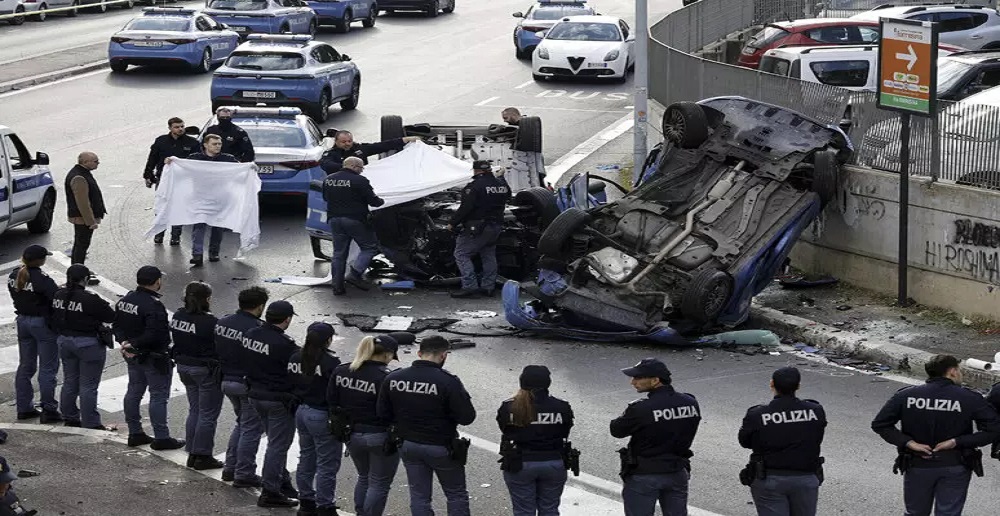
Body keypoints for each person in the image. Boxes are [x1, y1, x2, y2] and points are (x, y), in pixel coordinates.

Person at [871, 354, 1000, 516]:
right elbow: (994, 430)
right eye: (959, 370)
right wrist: (957, 442)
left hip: (917, 464)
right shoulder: (969, 398)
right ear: (952, 372)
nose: (961, 374)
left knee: (915, 512)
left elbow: (880, 424)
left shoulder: (906, 395)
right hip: (955, 465)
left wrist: (909, 443)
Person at [377, 335, 476, 516]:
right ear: (444, 355)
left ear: (419, 353)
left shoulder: (394, 377)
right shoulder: (448, 381)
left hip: (408, 444)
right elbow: (467, 417)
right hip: (441, 446)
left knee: (419, 496)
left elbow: (383, 414)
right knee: (455, 494)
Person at [330, 333, 411, 516]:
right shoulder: (387, 378)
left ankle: (361, 512)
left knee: (364, 477)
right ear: (387, 354)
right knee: (379, 483)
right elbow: (396, 410)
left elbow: (332, 401)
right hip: (380, 436)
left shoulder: (343, 370)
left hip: (352, 434)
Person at [610, 358, 701, 516]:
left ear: (655, 380)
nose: (633, 382)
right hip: (677, 471)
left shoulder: (641, 408)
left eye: (638, 378)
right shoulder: (690, 402)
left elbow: (617, 430)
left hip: (645, 475)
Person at [738, 367, 827, 516]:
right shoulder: (815, 410)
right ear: (798, 386)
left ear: (772, 384)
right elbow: (817, 435)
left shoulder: (757, 414)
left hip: (770, 479)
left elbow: (745, 441)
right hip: (806, 478)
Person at [113, 265, 184, 451]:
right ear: (157, 281)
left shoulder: (125, 300)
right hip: (153, 356)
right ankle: (161, 437)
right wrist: (134, 344)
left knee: (134, 392)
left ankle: (135, 432)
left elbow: (117, 326)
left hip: (133, 355)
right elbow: (157, 335)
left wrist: (126, 343)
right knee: (158, 396)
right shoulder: (153, 305)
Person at [244, 300, 302, 508]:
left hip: (255, 394)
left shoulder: (251, 334)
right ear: (287, 319)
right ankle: (270, 491)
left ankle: (281, 481)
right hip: (277, 399)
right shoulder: (285, 344)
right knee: (278, 446)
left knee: (274, 443)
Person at [496, 365, 574, 516]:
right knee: (550, 509)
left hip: (520, 464)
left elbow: (505, 430)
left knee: (523, 511)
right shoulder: (561, 406)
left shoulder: (509, 407)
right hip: (554, 462)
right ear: (547, 383)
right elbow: (565, 431)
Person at [215, 286, 269, 487]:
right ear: (260, 306)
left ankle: (230, 468)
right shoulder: (256, 329)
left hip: (226, 379)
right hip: (245, 383)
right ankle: (244, 472)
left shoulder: (223, 321)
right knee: (251, 429)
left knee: (242, 424)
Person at [50, 264, 114, 430]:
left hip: (65, 341)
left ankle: (70, 416)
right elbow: (110, 315)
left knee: (70, 381)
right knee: (88, 385)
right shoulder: (89, 298)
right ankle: (91, 422)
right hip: (88, 343)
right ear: (85, 279)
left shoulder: (58, 294)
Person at [289, 322, 342, 516]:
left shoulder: (296, 356)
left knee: (306, 457)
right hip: (321, 414)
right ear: (328, 340)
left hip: (301, 411)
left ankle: (306, 501)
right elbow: (336, 392)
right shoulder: (331, 362)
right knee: (327, 463)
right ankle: (325, 505)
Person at [170, 281, 224, 471]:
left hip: (184, 366)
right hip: (204, 370)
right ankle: (202, 455)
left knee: (195, 410)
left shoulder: (178, 315)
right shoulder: (210, 322)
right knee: (208, 414)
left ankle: (192, 452)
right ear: (208, 299)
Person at [7, 245, 61, 423]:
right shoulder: (42, 279)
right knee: (48, 368)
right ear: (39, 260)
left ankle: (24, 407)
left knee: (25, 366)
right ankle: (49, 409)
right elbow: (56, 299)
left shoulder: (14, 275)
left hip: (23, 321)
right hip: (42, 324)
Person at [448, 159, 511, 298]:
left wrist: (452, 222)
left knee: (461, 254)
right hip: (496, 226)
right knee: (488, 254)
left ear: (476, 171)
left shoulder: (474, 186)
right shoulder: (500, 183)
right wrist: (501, 177)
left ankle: (469, 286)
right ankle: (488, 287)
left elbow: (466, 207)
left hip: (478, 227)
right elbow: (508, 195)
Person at [322, 156, 383, 295]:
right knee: (370, 247)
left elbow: (326, 198)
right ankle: (355, 274)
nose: (362, 171)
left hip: (334, 219)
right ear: (355, 166)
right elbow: (373, 201)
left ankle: (337, 286)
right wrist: (382, 201)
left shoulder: (328, 179)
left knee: (338, 253)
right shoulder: (360, 180)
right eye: (361, 168)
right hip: (355, 220)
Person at [176, 134, 238, 266]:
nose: (217, 146)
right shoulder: (195, 158)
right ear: (205, 145)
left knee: (218, 227)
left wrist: (251, 168)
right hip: (200, 197)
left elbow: (240, 170)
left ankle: (214, 252)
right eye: (214, 144)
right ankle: (197, 254)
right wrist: (172, 161)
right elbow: (182, 168)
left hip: (220, 198)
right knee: (199, 225)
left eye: (219, 144)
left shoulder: (228, 159)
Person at [145, 117, 199, 245]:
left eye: (182, 126)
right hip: (163, 179)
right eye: (177, 127)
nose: (180, 129)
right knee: (161, 206)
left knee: (179, 208)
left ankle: (176, 236)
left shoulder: (192, 143)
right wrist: (148, 175)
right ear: (170, 128)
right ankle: (159, 233)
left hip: (183, 181)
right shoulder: (161, 141)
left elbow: (196, 162)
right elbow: (152, 158)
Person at [65, 152, 105, 283]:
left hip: (82, 218)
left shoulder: (82, 173)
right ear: (85, 162)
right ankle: (77, 276)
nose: (98, 163)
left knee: (80, 245)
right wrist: (90, 221)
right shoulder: (79, 177)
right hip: (83, 219)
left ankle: (79, 271)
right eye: (95, 161)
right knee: (81, 246)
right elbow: (83, 203)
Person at [318, 129, 419, 174]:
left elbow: (381, 146)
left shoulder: (360, 149)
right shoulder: (331, 154)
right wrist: (346, 168)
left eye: (349, 141)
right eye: (343, 142)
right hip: (342, 184)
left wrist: (405, 140)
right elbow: (325, 164)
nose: (347, 144)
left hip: (362, 181)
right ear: (336, 142)